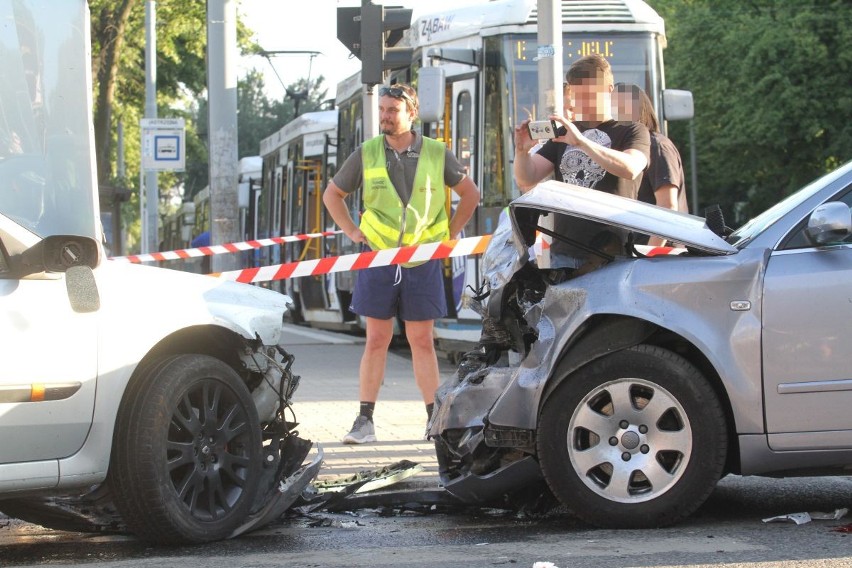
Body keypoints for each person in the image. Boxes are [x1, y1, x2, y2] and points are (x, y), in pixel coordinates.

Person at [322, 83, 480, 444]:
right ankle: (365, 422)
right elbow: (334, 194)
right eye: (382, 110)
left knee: (421, 340)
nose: (384, 116)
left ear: (411, 112)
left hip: (421, 257)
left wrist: (450, 234)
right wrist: (351, 231)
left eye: (392, 110)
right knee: (376, 338)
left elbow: (470, 195)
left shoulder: (438, 153)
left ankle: (433, 419)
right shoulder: (367, 152)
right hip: (378, 256)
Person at [513, 54, 650, 270]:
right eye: (577, 95)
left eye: (589, 95)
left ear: (609, 90)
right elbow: (526, 178)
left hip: (612, 253)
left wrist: (582, 142)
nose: (582, 103)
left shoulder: (631, 130)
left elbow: (631, 168)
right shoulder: (565, 133)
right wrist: (522, 151)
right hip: (564, 251)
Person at [613, 82, 688, 246]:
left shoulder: (657, 147)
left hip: (658, 256)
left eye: (618, 109)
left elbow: (667, 205)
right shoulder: (627, 150)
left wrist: (650, 254)